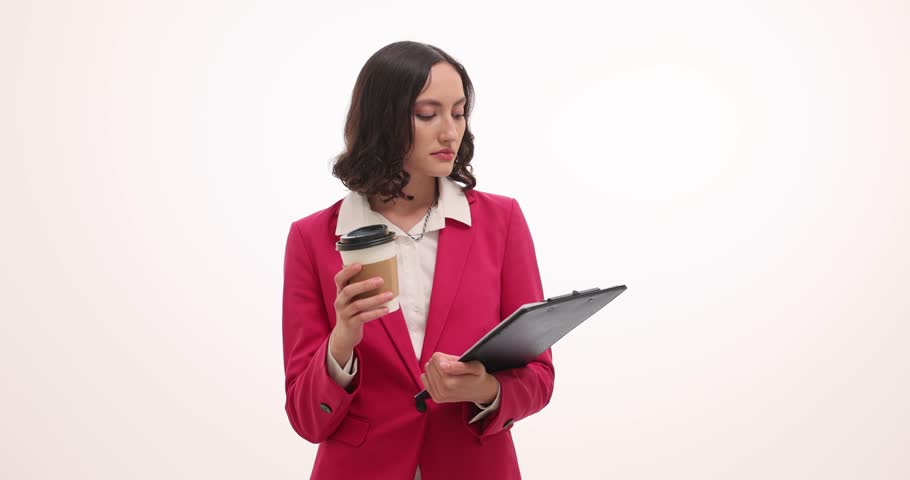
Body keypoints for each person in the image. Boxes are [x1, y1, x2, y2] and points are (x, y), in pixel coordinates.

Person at [281, 41, 554, 480]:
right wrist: (342, 340)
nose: (449, 132)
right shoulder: (312, 239)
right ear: (382, 119)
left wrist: (483, 388)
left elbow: (539, 377)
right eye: (427, 114)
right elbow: (306, 418)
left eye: (459, 113)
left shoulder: (501, 222)